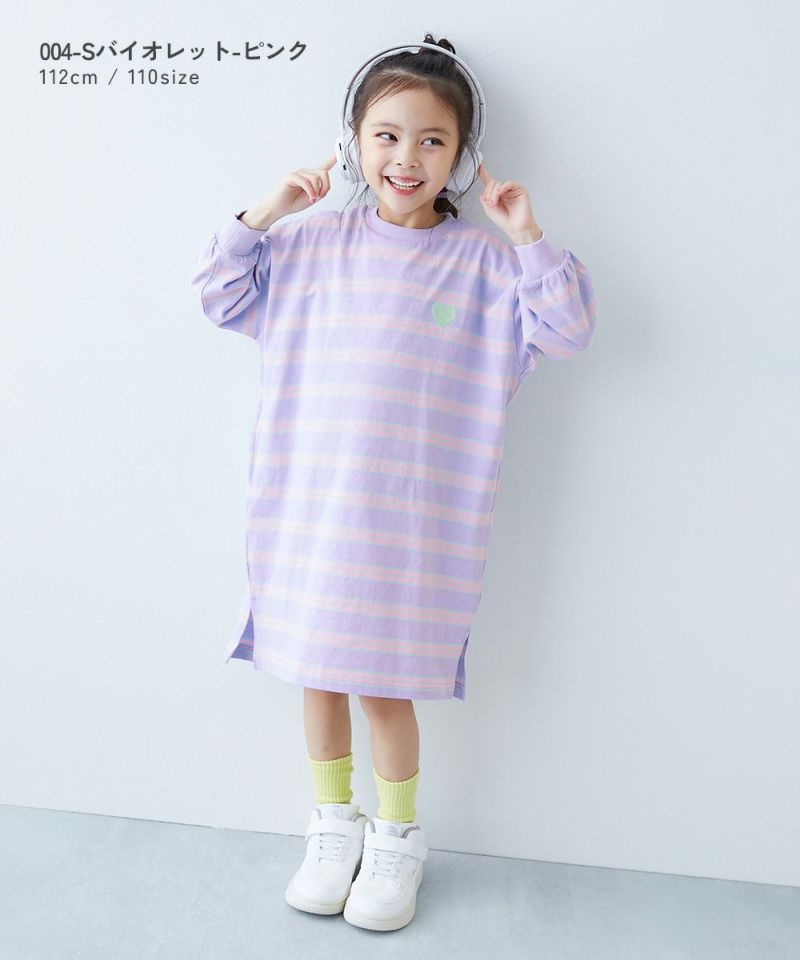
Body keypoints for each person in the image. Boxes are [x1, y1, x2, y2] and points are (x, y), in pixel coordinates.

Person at [191, 34, 596, 932]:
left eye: (431, 140)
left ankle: (397, 837)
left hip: (413, 527)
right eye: (386, 135)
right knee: (316, 677)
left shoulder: (487, 266)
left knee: (383, 685)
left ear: (462, 156)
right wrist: (272, 207)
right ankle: (331, 826)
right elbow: (218, 293)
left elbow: (566, 330)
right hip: (311, 511)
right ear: (354, 142)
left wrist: (525, 233)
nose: (406, 158)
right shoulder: (307, 246)